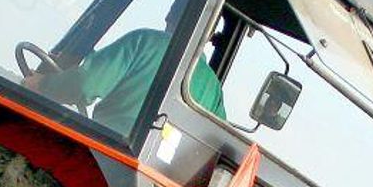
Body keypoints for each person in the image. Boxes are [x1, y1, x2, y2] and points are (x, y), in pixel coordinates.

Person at [23, 26, 225, 137]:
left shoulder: (145, 41)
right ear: (209, 36)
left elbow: (85, 84)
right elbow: (214, 142)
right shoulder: (214, 91)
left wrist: (42, 85)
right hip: (152, 181)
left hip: (106, 150)